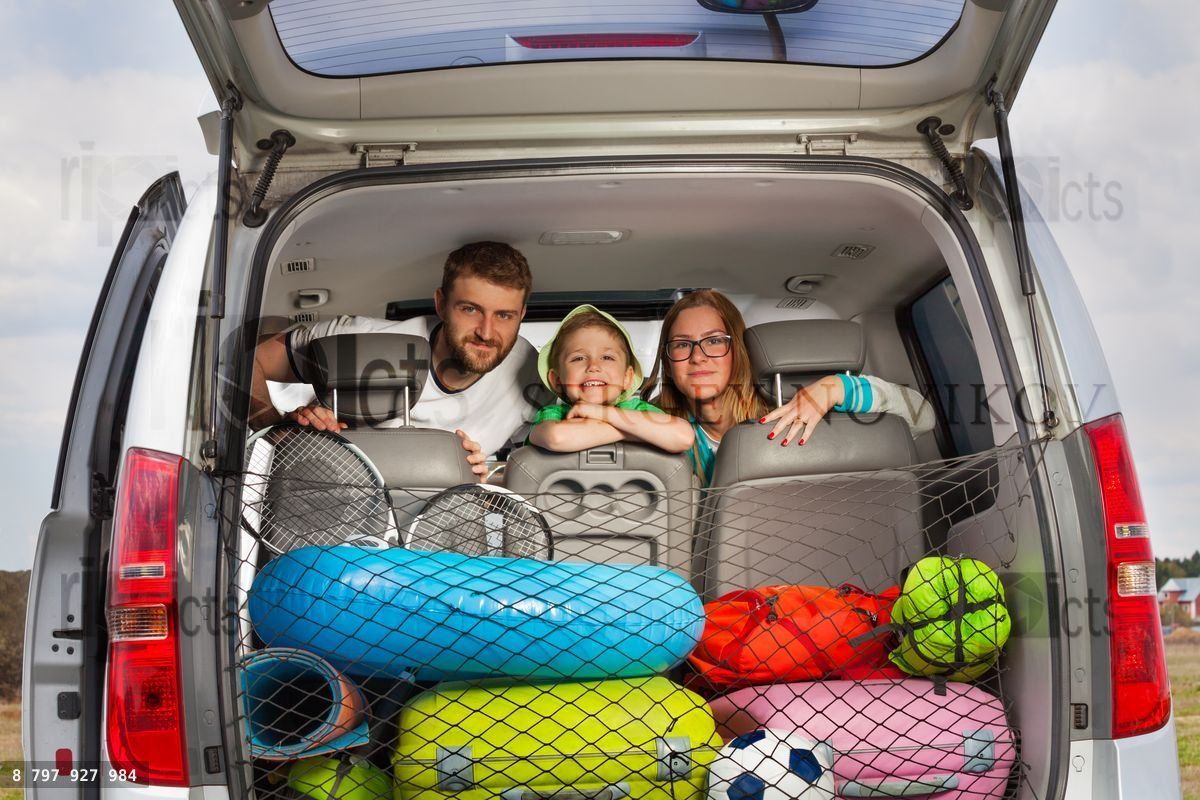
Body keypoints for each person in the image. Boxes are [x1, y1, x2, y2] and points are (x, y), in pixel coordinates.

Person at [249, 242, 544, 479]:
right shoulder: (356, 339)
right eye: (470, 310)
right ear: (441, 304)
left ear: (522, 316)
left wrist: (483, 478)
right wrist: (278, 432)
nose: (486, 332)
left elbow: (530, 468)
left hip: (442, 533)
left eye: (504, 315)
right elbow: (244, 360)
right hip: (339, 514)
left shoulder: (530, 370)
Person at [643, 290, 935, 485]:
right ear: (668, 363)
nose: (697, 356)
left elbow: (923, 416)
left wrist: (837, 388)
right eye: (682, 344)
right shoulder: (652, 425)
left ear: (739, 352)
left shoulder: (793, 405)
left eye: (715, 340)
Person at [527, 305, 694, 454]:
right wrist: (635, 431)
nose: (593, 366)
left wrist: (600, 413)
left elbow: (683, 436)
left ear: (627, 378)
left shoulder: (640, 409)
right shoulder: (553, 415)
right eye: (578, 358)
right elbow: (556, 438)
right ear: (557, 380)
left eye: (607, 357)